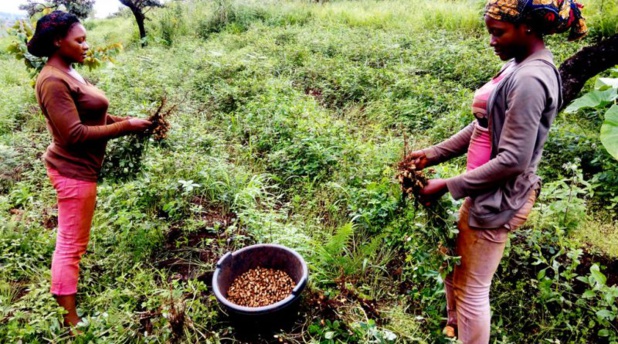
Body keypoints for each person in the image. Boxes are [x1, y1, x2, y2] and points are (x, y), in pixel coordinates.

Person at [406, 1, 587, 343]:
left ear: (527, 28)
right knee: (456, 263)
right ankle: (454, 324)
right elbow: (483, 124)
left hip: (499, 197)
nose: (491, 41)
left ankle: (466, 330)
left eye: (498, 32)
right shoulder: (517, 66)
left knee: (473, 289)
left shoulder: (532, 79)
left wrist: (447, 185)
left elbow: (514, 159)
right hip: (482, 190)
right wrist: (433, 155)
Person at [27, 11, 152, 328]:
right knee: (70, 246)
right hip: (72, 172)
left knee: (73, 243)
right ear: (58, 42)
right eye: (79, 40)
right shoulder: (52, 80)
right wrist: (126, 127)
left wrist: (130, 123)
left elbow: (89, 115)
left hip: (82, 170)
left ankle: (67, 311)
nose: (86, 46)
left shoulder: (69, 71)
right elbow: (74, 134)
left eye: (86, 39)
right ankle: (70, 322)